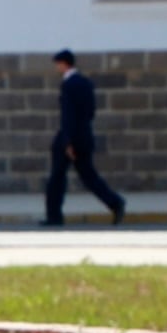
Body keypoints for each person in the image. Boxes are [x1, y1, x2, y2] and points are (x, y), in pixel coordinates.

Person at [44, 47, 126, 227]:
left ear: (63, 64)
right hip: (84, 136)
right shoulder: (86, 82)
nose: (57, 68)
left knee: (57, 178)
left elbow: (68, 115)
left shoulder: (68, 85)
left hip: (69, 138)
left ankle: (54, 216)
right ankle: (115, 203)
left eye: (58, 65)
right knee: (90, 177)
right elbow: (89, 112)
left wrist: (67, 141)